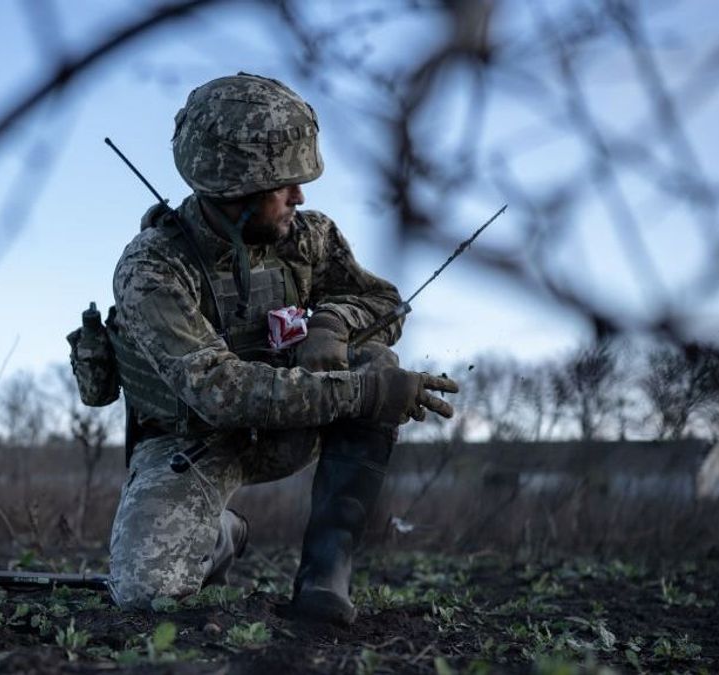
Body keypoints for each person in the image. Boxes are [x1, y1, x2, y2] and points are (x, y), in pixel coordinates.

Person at [86, 73, 458, 625]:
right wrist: (361, 392)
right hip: (193, 442)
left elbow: (383, 302)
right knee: (146, 594)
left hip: (291, 426)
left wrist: (333, 323)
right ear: (234, 191)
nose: (300, 197)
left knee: (375, 357)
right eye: (284, 185)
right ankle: (220, 534)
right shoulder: (152, 269)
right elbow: (220, 393)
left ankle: (325, 575)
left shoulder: (308, 237)